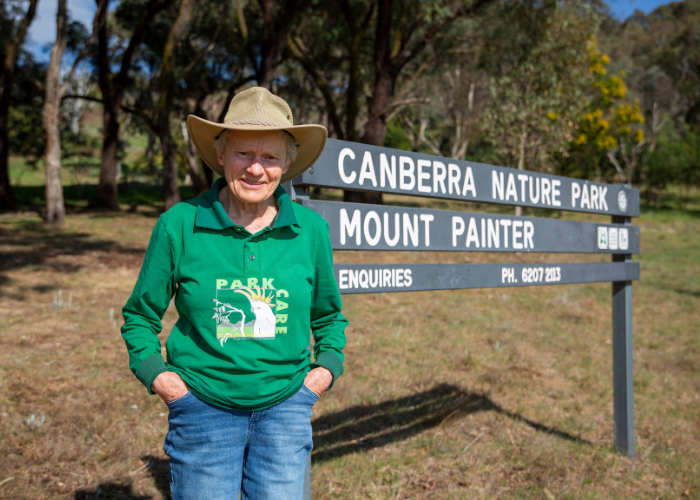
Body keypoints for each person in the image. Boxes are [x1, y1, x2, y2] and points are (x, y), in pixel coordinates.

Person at [121, 87, 347, 500]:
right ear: (221, 155)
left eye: (270, 157)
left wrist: (324, 371)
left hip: (287, 408)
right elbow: (140, 316)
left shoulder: (311, 231)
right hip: (202, 410)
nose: (256, 169)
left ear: (288, 164)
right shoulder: (179, 224)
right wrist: (161, 378)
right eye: (244, 153)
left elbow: (329, 316)